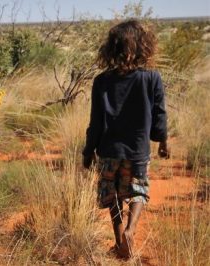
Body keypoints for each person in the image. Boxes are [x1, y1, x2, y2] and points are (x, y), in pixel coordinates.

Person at [82, 20, 169, 259]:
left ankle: (120, 238)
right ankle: (131, 230)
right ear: (143, 47)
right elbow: (160, 113)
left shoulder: (102, 81)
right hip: (138, 150)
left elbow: (96, 122)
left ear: (112, 48)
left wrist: (88, 152)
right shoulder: (152, 78)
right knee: (138, 190)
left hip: (108, 149)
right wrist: (162, 141)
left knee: (112, 195)